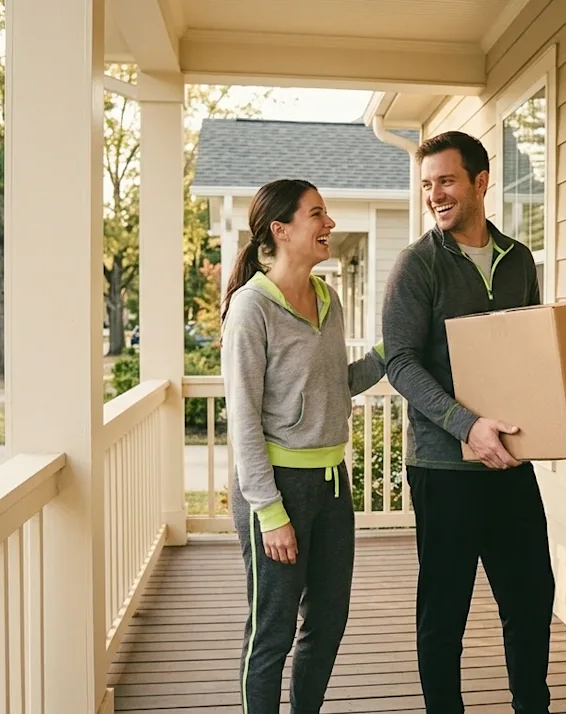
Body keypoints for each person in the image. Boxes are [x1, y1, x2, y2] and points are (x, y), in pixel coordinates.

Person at [381, 131, 555, 713]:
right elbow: (400, 362)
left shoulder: (518, 259)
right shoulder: (418, 265)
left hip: (509, 462)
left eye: (447, 181)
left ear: (481, 182)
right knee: (445, 612)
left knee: (531, 597)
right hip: (443, 465)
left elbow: (530, 350)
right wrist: (466, 425)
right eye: (428, 184)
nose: (435, 194)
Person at [221, 178, 387, 714]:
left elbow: (337, 381)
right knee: (271, 633)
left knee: (328, 622)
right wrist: (270, 511)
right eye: (318, 214)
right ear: (281, 229)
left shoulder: (326, 298)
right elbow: (243, 420)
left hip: (332, 484)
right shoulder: (252, 309)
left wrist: (396, 347)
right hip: (276, 488)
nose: (329, 224)